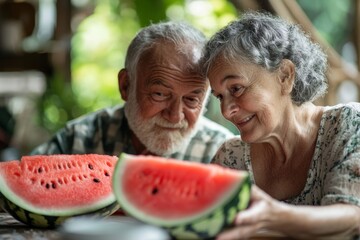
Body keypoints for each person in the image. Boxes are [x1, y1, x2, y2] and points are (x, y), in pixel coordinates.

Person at [201, 11, 360, 240]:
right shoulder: (230, 157)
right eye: (219, 97)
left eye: (236, 89)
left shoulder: (349, 124)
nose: (227, 111)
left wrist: (274, 217)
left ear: (285, 76)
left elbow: (353, 214)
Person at [31, 21, 234, 163]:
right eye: (160, 94)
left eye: (191, 99)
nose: (174, 116)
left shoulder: (224, 151)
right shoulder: (77, 140)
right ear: (126, 86)